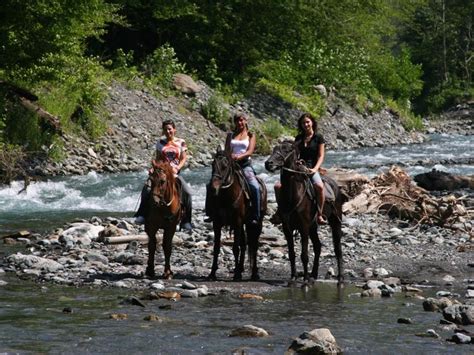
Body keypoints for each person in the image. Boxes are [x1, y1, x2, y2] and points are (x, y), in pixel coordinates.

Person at [135, 119, 193, 232]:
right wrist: (154, 167)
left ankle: (186, 221)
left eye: (170, 129)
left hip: (174, 174)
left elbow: (183, 158)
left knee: (187, 192)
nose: (168, 131)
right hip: (161, 172)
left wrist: (177, 168)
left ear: (174, 130)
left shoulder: (181, 142)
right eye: (165, 129)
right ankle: (141, 214)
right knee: (147, 188)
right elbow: (158, 158)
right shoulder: (160, 142)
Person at [274, 112, 327, 224]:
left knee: (319, 186)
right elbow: (294, 154)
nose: (306, 125)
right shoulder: (298, 138)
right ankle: (280, 211)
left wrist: (315, 169)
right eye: (303, 123)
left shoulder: (318, 138)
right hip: (297, 168)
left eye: (307, 122)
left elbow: (321, 156)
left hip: (311, 167)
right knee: (278, 186)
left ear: (312, 122)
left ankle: (320, 214)